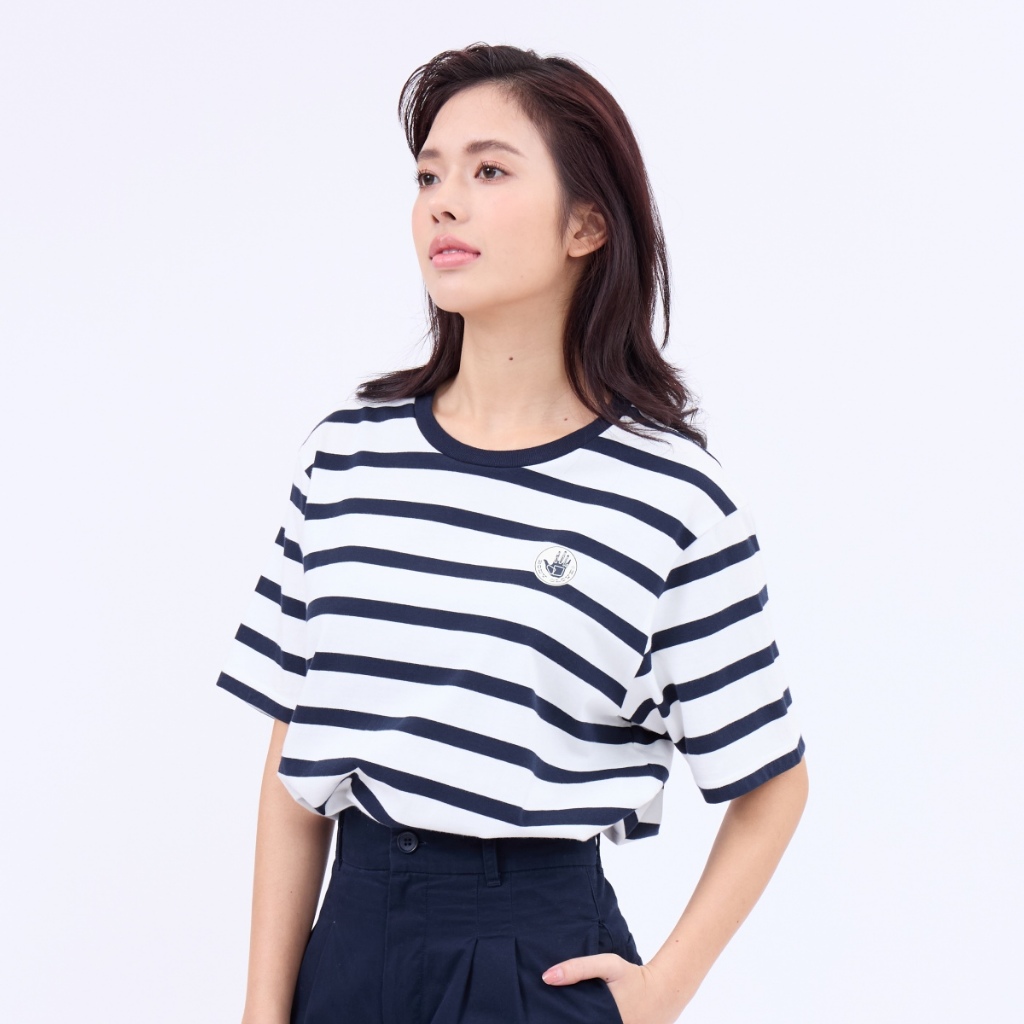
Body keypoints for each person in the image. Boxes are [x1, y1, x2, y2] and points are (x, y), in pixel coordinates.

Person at [216, 42, 808, 1024]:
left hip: (534, 956)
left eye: (488, 171)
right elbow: (294, 759)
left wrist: (660, 992)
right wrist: (261, 1010)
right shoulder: (346, 457)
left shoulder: (668, 496)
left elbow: (773, 784)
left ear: (586, 223)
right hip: (350, 944)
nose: (443, 203)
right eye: (428, 177)